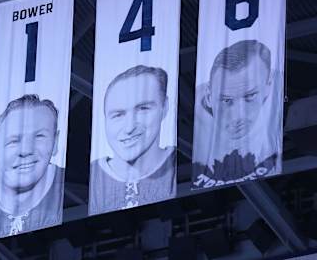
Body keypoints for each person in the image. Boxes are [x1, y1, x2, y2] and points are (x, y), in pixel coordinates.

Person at [192, 40, 281, 189]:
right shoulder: (196, 115)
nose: (237, 115)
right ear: (208, 96)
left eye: (250, 96)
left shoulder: (278, 92)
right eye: (226, 100)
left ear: (268, 86)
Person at [89, 65, 176, 215]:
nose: (129, 128)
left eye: (143, 109)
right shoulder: (91, 175)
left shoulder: (185, 162)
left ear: (165, 107)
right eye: (118, 115)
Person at [0, 94, 64, 241]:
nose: (25, 151)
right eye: (13, 141)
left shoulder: (75, 188)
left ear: (55, 142)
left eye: (39, 137)